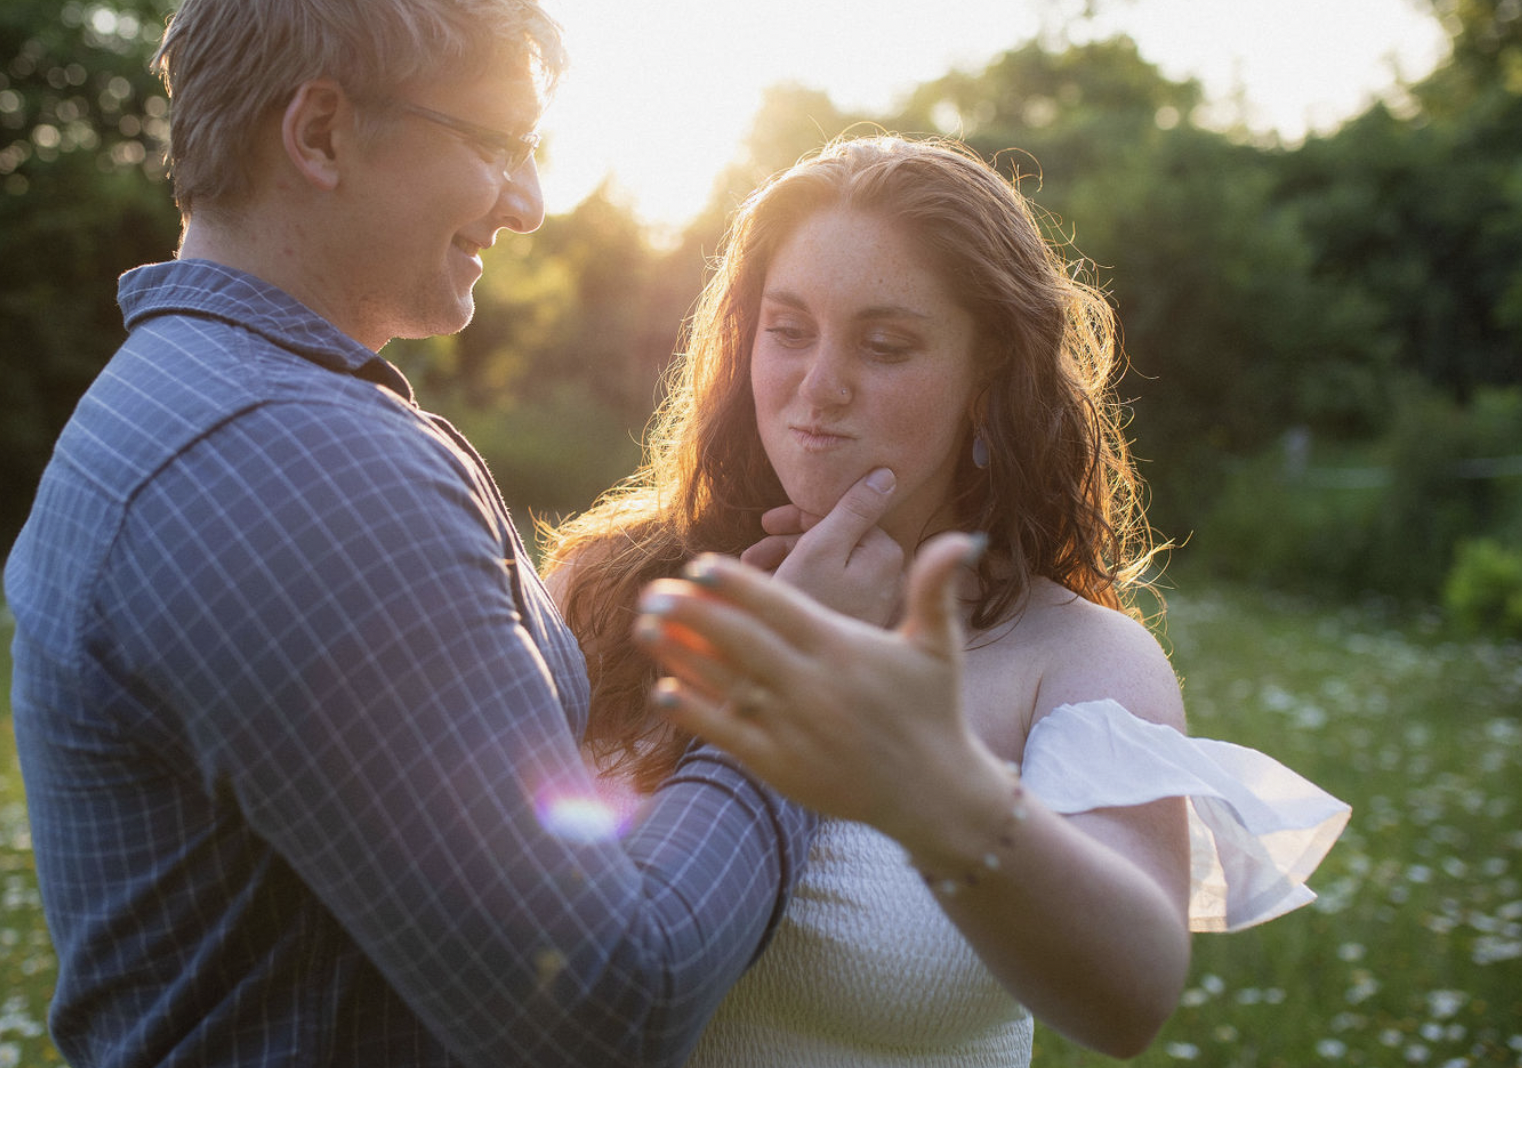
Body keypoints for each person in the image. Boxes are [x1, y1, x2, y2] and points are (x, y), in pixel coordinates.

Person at [4, 0, 828, 1066]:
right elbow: (601, 1003)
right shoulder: (295, 463)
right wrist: (791, 692)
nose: (531, 203)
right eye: (495, 142)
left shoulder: (182, 396)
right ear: (323, 133)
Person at [544, 135, 1349, 1065]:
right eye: (788, 329)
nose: (818, 388)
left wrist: (924, 776)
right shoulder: (605, 583)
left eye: (886, 346)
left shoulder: (1071, 659)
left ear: (991, 375)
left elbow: (1133, 998)